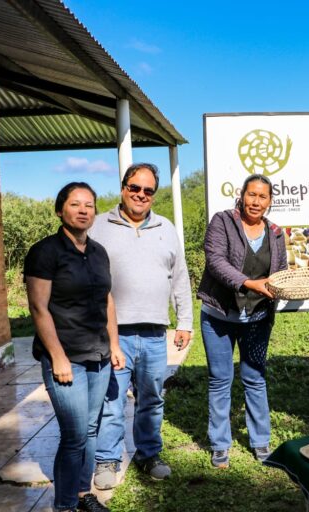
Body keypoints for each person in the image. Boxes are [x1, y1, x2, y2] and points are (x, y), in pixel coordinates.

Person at [92, 163, 193, 487]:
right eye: (134, 188)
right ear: (123, 188)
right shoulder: (98, 226)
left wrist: (185, 321)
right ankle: (106, 461)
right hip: (114, 334)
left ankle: (149, 455)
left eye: (148, 190)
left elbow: (180, 278)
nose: (140, 195)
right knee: (112, 400)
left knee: (151, 399)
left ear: (154, 195)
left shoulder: (166, 227)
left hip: (154, 333)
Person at [25, 182, 124, 512]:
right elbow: (39, 308)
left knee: (91, 430)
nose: (84, 210)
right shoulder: (45, 252)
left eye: (90, 205)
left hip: (99, 357)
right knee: (75, 435)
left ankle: (83, 495)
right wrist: (57, 357)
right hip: (66, 359)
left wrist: (114, 344)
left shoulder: (98, 252)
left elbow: (107, 299)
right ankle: (64, 505)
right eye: (75, 204)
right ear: (60, 210)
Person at [198, 174, 287, 468]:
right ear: (242, 195)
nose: (256, 202)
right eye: (252, 195)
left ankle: (261, 442)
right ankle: (220, 444)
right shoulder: (222, 221)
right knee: (221, 379)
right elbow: (216, 262)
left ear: (270, 201)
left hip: (258, 317)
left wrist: (285, 285)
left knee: (255, 377)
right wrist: (249, 283)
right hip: (219, 316)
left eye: (263, 197)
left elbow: (281, 270)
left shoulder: (275, 232)